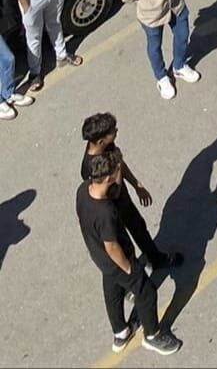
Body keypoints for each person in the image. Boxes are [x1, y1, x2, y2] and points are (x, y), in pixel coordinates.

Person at [77, 148, 182, 356]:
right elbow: (112, 246)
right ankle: (153, 336)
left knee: (112, 291)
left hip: (101, 259)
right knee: (146, 291)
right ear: (107, 177)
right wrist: (128, 268)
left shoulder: (82, 190)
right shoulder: (105, 212)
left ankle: (121, 332)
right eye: (117, 172)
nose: (120, 174)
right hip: (117, 260)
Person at [120, 0, 199, 100]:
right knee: (155, 46)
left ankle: (179, 65)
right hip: (152, 15)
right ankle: (162, 77)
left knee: (182, 35)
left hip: (175, 4)